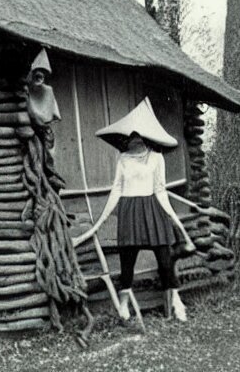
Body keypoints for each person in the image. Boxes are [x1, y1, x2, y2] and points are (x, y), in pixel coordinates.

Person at [73, 97, 195, 322]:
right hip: (129, 210)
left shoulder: (157, 157)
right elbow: (116, 190)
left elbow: (160, 190)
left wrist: (175, 219)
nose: (134, 139)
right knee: (127, 263)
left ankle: (177, 302)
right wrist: (100, 222)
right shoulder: (123, 159)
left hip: (152, 209)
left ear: (146, 136)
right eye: (131, 135)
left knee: (165, 260)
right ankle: (124, 302)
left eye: (138, 134)